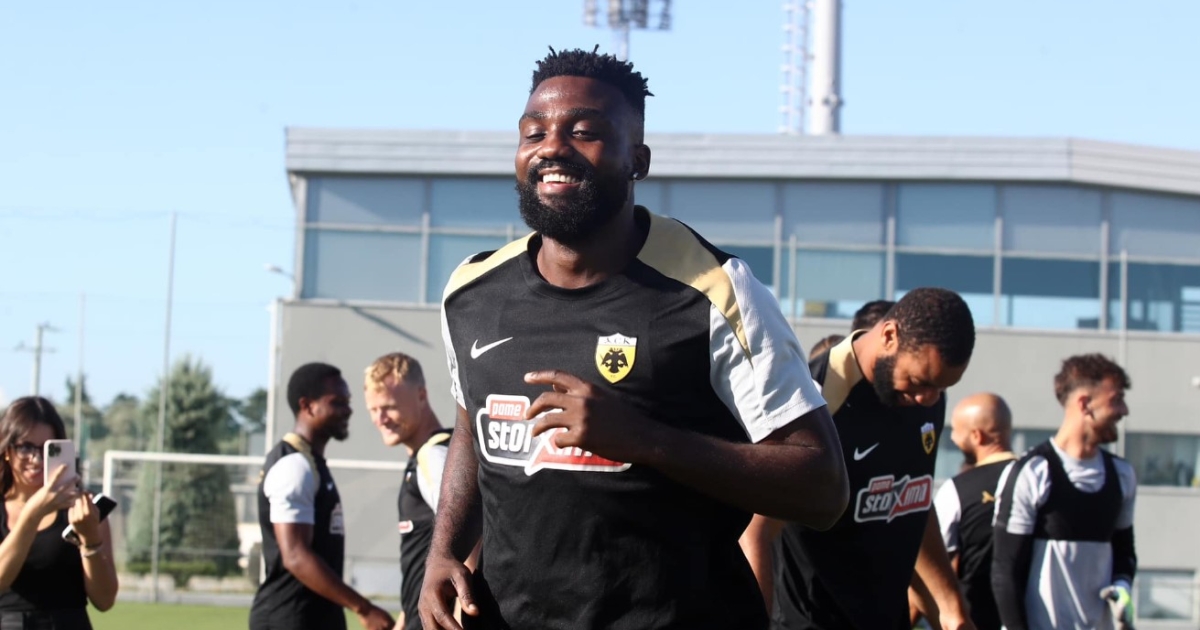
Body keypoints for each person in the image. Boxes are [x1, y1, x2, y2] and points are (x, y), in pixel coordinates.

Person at [420, 46, 849, 630]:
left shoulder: (716, 289)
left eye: (584, 132)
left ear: (637, 161)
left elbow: (822, 488)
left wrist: (645, 439)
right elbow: (472, 426)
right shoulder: (471, 292)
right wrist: (444, 550)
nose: (552, 148)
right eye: (534, 133)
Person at [741, 287, 979, 630]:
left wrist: (950, 607)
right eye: (919, 381)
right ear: (889, 336)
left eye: (941, 388)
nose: (928, 399)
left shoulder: (924, 397)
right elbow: (755, 532)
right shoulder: (812, 398)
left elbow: (911, 498)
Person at [992, 354, 1137, 630]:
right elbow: (1005, 571)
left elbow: (1125, 551)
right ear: (1085, 404)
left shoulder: (1123, 474)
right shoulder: (1032, 472)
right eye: (1116, 399)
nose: (1124, 410)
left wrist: (1122, 587)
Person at [250, 363, 394, 630]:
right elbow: (295, 555)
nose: (348, 410)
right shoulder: (293, 466)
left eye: (348, 401)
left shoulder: (311, 462)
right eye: (337, 402)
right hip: (290, 619)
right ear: (307, 406)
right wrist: (363, 608)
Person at [0, 397, 117, 630]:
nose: (36, 459)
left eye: (47, 449)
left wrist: (90, 539)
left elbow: (104, 601)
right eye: (25, 447)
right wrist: (33, 514)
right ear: (7, 451)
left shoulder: (85, 508)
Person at [362, 353, 454, 630]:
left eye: (389, 407)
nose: (380, 419)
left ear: (421, 395)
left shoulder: (434, 456)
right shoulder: (423, 457)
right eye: (373, 410)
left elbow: (471, 547)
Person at [931, 393, 1016, 630]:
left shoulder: (958, 489)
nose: (953, 439)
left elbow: (935, 564)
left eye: (956, 432)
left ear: (977, 436)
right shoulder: (1037, 480)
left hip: (976, 620)